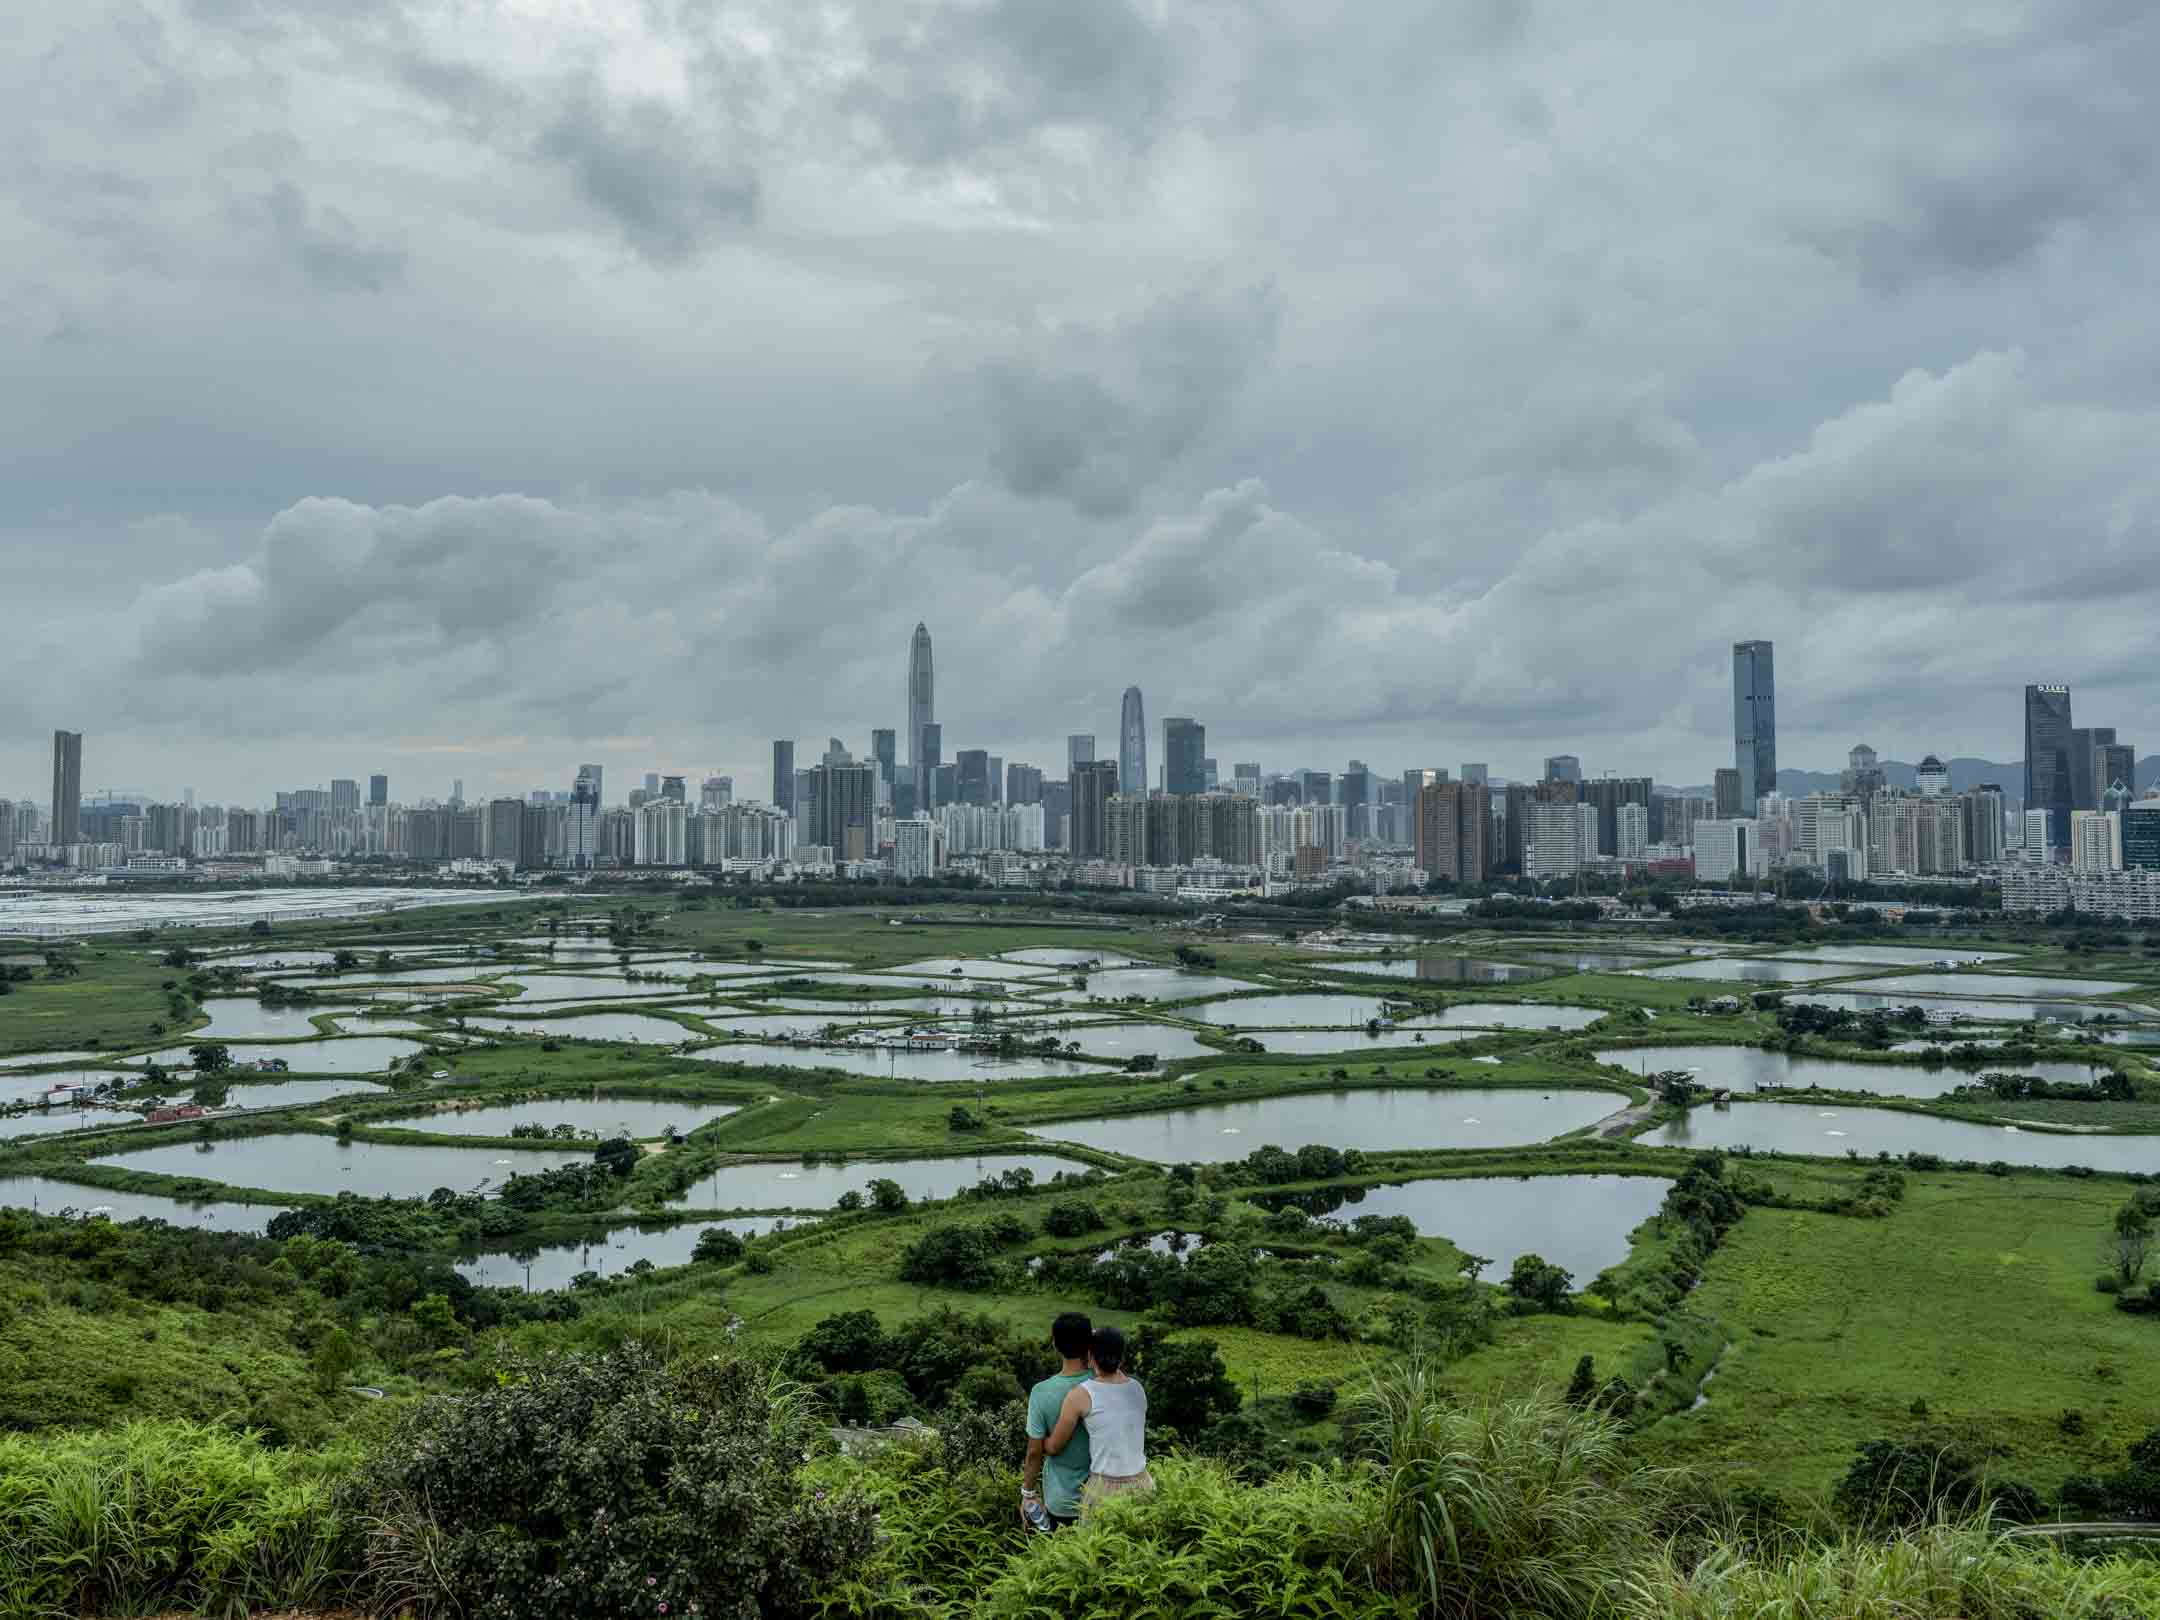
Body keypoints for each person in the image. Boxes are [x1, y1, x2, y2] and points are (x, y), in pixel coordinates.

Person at [1044, 1324, 1153, 1512]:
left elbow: (1054, 1447)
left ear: (1090, 1356)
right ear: (1122, 1358)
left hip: (1104, 1490)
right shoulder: (1137, 1389)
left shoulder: (1081, 1394)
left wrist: (1040, 1442)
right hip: (1143, 1483)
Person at [1019, 1312, 1093, 1532]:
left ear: (1054, 1343)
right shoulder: (1101, 1384)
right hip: (1101, 1495)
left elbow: (1034, 1452)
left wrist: (1028, 1494)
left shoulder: (1041, 1393)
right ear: (1089, 1343)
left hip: (1060, 1501)